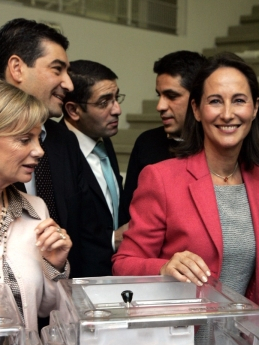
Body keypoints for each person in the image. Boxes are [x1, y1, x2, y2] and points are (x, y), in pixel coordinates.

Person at [113, 52, 259, 317]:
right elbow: (123, 264)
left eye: (239, 101)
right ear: (197, 110)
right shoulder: (161, 178)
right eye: (215, 101)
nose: (227, 113)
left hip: (239, 344)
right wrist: (164, 268)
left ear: (255, 108)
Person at [0, 81, 73, 345]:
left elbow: (48, 307)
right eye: (24, 138)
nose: (39, 150)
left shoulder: (35, 209)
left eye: (39, 137)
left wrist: (56, 264)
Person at [0, 17, 89, 277]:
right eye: (57, 69)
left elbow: (82, 231)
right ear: (17, 68)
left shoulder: (64, 140)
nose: (69, 84)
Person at [63, 60, 128, 275]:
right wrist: (112, 239)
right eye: (104, 102)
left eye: (116, 98)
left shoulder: (103, 139)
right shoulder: (55, 152)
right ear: (73, 110)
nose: (117, 110)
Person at [122, 50, 206, 214]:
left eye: (171, 96)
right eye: (159, 95)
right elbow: (128, 215)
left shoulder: (219, 146)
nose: (160, 106)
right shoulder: (146, 142)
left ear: (198, 98)